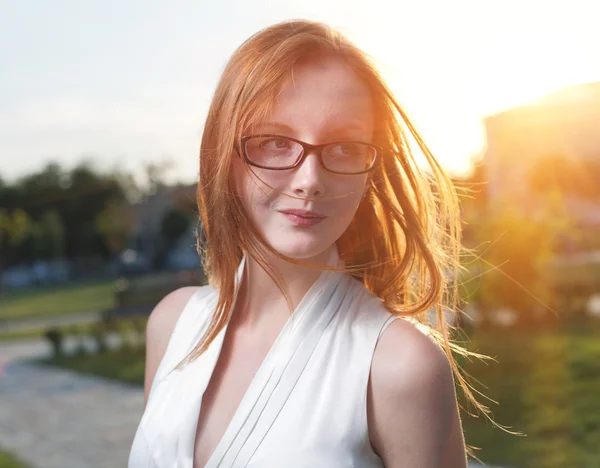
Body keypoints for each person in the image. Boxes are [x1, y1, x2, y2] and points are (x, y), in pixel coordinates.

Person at [129, 19, 477, 467]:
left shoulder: (397, 366)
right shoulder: (172, 324)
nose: (309, 181)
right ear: (223, 153)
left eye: (345, 146)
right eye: (275, 142)